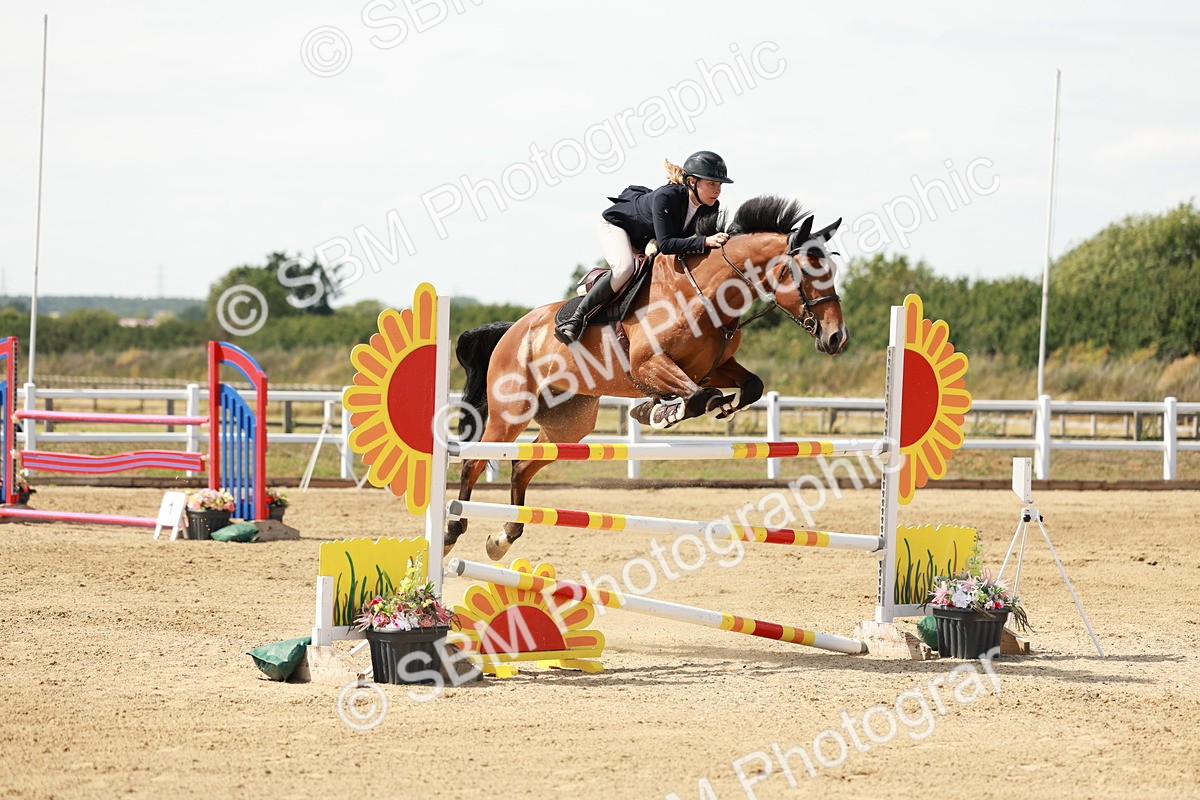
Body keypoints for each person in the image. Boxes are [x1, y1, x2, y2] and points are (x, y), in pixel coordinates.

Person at [553, 150, 734, 345]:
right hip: (617, 228)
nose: (717, 190)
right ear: (692, 182)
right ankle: (576, 319)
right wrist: (704, 241)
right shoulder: (667, 196)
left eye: (720, 185)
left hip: (646, 238)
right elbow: (667, 244)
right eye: (712, 184)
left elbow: (706, 245)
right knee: (625, 269)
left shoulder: (711, 207)